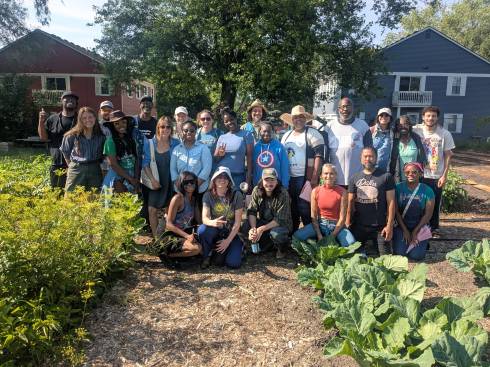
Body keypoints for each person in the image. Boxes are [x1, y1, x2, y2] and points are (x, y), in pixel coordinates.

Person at [280, 105, 325, 231]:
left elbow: (319, 156)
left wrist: (314, 177)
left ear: (305, 118)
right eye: (295, 117)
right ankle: (294, 235)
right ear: (292, 120)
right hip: (289, 178)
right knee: (292, 207)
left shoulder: (313, 134)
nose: (298, 120)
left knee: (305, 208)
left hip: (305, 177)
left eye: (301, 117)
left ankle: (310, 235)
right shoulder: (286, 135)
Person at [413, 106, 455, 237]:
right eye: (428, 115)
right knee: (418, 201)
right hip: (417, 174)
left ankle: (434, 228)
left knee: (434, 202)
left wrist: (444, 175)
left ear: (437, 117)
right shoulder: (416, 130)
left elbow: (448, 154)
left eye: (434, 116)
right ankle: (418, 226)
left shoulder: (444, 133)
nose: (431, 118)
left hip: (435, 174)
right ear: (423, 117)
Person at [346, 147, 395, 256]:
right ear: (361, 159)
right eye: (365, 156)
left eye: (371, 156)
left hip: (380, 226)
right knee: (352, 257)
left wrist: (389, 226)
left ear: (376, 158)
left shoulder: (386, 177)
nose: (368, 159)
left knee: (386, 258)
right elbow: (350, 202)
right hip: (359, 225)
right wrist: (348, 221)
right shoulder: (354, 178)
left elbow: (391, 202)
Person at [293, 164, 356, 247]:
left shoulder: (343, 192)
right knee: (297, 236)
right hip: (321, 224)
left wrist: (332, 236)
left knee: (351, 243)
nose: (328, 176)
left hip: (337, 225)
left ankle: (335, 240)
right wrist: (319, 235)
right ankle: (318, 239)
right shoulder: (315, 191)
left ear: (335, 176)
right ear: (321, 176)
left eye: (331, 173)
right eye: (326, 173)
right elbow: (314, 216)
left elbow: (342, 218)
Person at [198, 166, 244, 269]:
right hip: (215, 231)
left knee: (233, 264)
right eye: (219, 176)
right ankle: (206, 255)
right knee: (203, 230)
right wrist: (212, 222)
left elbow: (237, 223)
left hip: (231, 232)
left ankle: (235, 249)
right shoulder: (207, 195)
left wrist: (227, 241)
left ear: (229, 180)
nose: (222, 179)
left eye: (225, 177)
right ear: (214, 179)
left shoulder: (237, 195)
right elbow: (204, 218)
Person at [142, 116, 180, 238]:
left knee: (169, 211)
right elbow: (145, 163)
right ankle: (156, 239)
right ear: (158, 128)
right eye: (162, 126)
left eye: (168, 126)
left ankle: (167, 236)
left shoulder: (176, 143)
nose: (165, 129)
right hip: (156, 180)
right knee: (152, 210)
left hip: (171, 181)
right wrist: (152, 180)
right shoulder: (150, 143)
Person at [154, 171, 202, 266]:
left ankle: (178, 257)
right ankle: (167, 256)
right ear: (181, 184)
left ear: (196, 183)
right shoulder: (178, 198)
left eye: (192, 181)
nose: (189, 184)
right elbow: (168, 224)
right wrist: (187, 236)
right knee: (196, 249)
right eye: (185, 182)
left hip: (181, 233)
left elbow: (200, 222)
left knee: (202, 249)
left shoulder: (194, 200)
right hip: (168, 235)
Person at [243, 168, 292, 259]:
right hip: (264, 223)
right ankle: (268, 244)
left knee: (276, 234)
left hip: (281, 225)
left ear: (277, 181)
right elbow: (252, 211)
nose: (269, 183)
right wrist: (253, 229)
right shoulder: (256, 190)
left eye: (272, 180)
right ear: (262, 180)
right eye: (266, 180)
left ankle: (282, 249)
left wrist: (261, 229)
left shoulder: (283, 193)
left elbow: (280, 219)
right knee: (246, 225)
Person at [324, 97, 372, 186]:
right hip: (334, 179)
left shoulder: (363, 126)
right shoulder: (329, 127)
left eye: (348, 106)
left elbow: (370, 152)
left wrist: (368, 173)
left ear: (353, 109)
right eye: (343, 106)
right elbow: (325, 153)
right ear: (339, 109)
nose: (345, 109)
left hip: (358, 178)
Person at [392, 162, 435, 261]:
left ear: (420, 174)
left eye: (414, 172)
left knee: (417, 256)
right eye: (407, 172)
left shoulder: (428, 190)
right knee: (400, 253)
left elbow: (428, 214)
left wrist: (415, 231)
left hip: (419, 226)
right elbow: (396, 211)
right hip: (402, 225)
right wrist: (405, 230)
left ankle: (423, 241)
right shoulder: (398, 188)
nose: (410, 174)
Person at [38, 91, 79, 188]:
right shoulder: (53, 119)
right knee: (57, 191)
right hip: (57, 162)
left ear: (76, 103)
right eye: (67, 98)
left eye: (73, 99)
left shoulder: (80, 119)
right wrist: (41, 121)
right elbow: (43, 138)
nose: (70, 100)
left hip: (77, 162)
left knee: (77, 192)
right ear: (62, 101)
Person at [60, 107, 106, 192]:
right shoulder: (72, 135)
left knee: (93, 198)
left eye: (90, 117)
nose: (88, 120)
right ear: (80, 120)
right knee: (72, 198)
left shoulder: (101, 136)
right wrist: (72, 166)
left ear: (95, 118)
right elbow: (65, 151)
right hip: (77, 169)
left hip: (95, 169)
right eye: (84, 118)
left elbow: (104, 154)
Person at [170, 120, 213, 197]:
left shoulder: (203, 148)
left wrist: (194, 186)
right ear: (182, 132)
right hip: (180, 189)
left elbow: (207, 168)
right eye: (185, 130)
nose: (188, 132)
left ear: (196, 132)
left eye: (191, 130)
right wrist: (178, 184)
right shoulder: (177, 149)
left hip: (198, 189)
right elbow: (173, 169)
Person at [214, 108, 254, 188]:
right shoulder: (222, 137)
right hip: (222, 175)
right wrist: (220, 154)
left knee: (236, 199)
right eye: (226, 121)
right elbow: (215, 159)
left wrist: (248, 179)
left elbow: (250, 158)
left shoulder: (246, 135)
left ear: (236, 118)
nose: (229, 122)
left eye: (231, 119)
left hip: (237, 176)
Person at [102, 111, 140, 193]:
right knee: (119, 203)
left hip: (132, 176)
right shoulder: (110, 142)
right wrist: (130, 179)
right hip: (117, 178)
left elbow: (136, 159)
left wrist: (136, 178)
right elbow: (113, 164)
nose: (121, 126)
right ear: (112, 126)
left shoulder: (131, 139)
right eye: (117, 124)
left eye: (124, 122)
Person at [389, 115, 427, 182]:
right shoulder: (394, 139)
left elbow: (422, 157)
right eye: (400, 125)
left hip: (414, 178)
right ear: (397, 127)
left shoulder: (416, 138)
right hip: (397, 178)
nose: (403, 126)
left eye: (405, 124)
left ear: (409, 125)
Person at [252, 121, 289, 188]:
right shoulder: (255, 147)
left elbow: (285, 167)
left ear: (272, 132)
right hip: (260, 185)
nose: (266, 134)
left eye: (269, 131)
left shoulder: (279, 146)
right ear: (260, 132)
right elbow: (253, 167)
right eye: (264, 131)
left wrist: (285, 185)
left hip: (276, 185)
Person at [370, 107, 394, 172]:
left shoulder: (393, 133)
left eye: (386, 115)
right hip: (371, 169)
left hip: (386, 170)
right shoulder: (371, 130)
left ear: (390, 118)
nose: (384, 117)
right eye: (381, 115)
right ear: (378, 117)